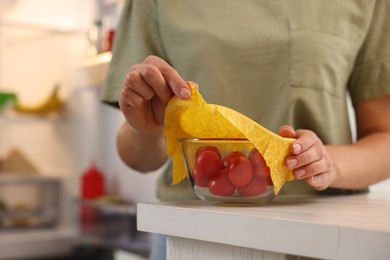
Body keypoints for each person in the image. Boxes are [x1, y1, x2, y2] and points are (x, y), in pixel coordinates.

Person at [101, 0, 390, 259]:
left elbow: (384, 138)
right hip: (192, 238)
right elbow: (137, 158)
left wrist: (326, 162)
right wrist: (148, 130)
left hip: (321, 237)